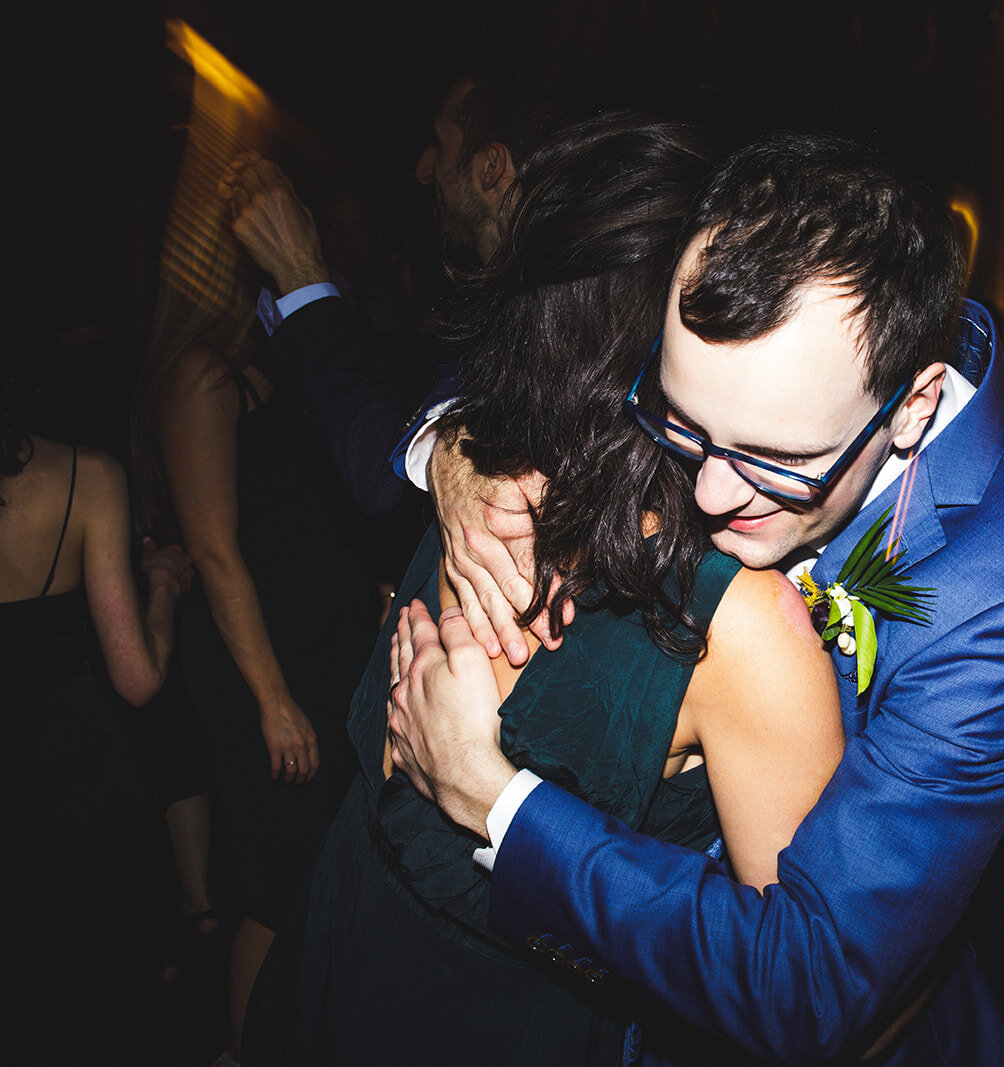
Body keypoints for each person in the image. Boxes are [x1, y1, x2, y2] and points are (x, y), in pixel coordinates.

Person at [389, 131, 1004, 1063]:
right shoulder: (746, 333)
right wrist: (450, 446)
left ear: (913, 407)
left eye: (779, 461)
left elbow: (810, 985)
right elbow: (546, 327)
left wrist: (496, 801)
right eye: (685, 425)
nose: (713, 493)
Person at [242, 113, 845, 1066]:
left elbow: (791, 1001)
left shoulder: (741, 632)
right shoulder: (474, 468)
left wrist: (493, 794)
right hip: (326, 960)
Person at [138, 297, 375, 1062]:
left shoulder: (283, 360)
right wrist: (272, 698)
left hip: (329, 652)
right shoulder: (200, 375)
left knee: (335, 871)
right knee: (277, 891)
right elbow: (212, 552)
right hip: (266, 667)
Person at [219, 72, 563, 520]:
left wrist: (299, 270)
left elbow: (393, 479)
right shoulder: (509, 298)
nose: (424, 169)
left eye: (440, 144)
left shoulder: (550, 308)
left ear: (490, 167)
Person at [0, 374, 191, 1049]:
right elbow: (138, 678)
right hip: (89, 793)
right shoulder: (84, 476)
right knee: (117, 1017)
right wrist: (162, 588)